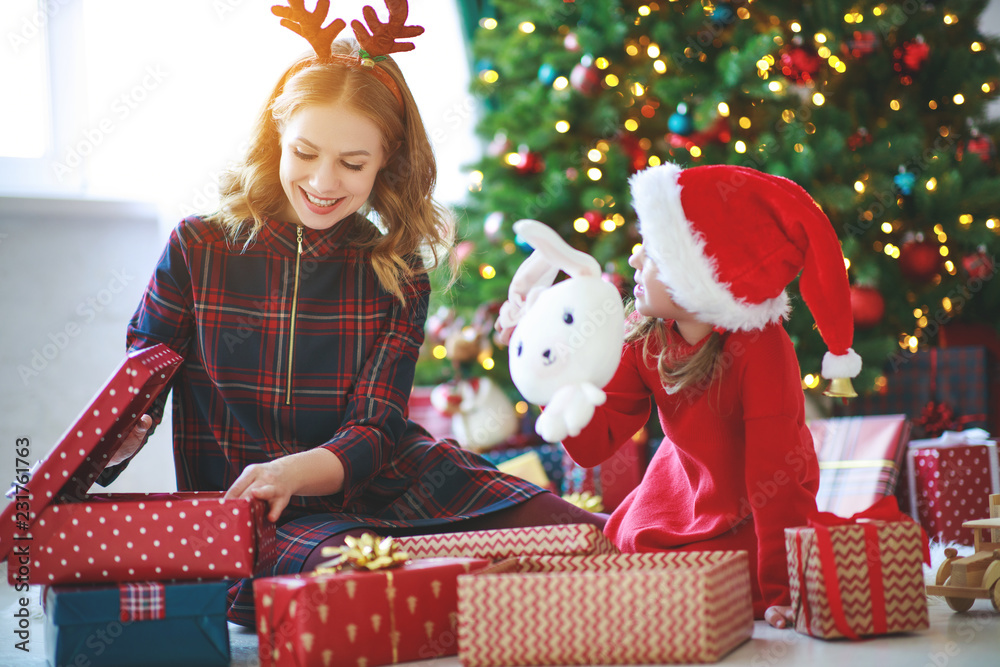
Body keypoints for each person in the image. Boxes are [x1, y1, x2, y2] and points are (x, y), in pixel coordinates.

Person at [102, 1, 602, 626]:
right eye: (305, 152)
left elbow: (375, 429)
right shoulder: (197, 247)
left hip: (395, 478)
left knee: (589, 538)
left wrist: (293, 468)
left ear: (385, 163)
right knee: (379, 581)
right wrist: (113, 442)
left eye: (353, 163)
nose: (322, 180)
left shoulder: (398, 273)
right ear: (275, 138)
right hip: (269, 521)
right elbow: (134, 388)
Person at [558, 162, 863, 629]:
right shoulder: (644, 335)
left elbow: (776, 477)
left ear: (706, 270)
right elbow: (592, 445)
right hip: (666, 515)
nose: (636, 261)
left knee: (710, 584)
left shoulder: (759, 347)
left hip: (746, 527)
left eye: (655, 253)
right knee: (623, 563)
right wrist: (556, 389)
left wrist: (785, 590)